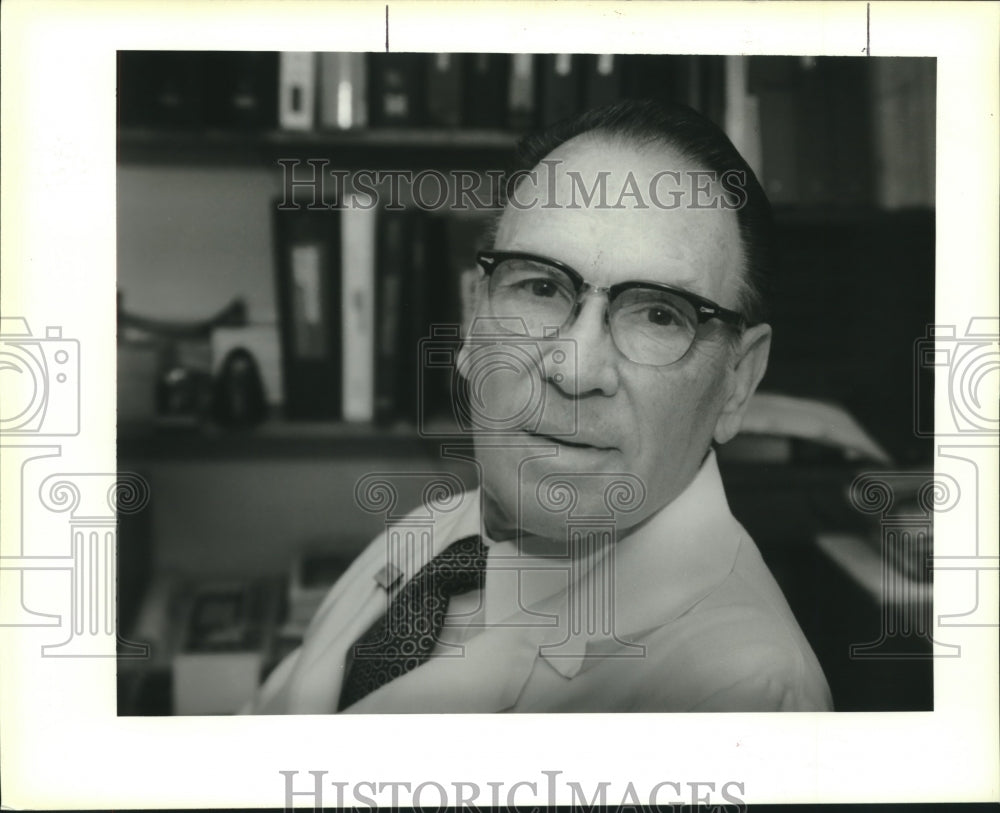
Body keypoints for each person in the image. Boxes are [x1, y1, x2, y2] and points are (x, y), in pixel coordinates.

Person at [247, 99, 833, 714]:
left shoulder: (741, 694)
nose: (575, 370)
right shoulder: (440, 533)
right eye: (542, 288)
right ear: (475, 321)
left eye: (660, 314)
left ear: (737, 382)